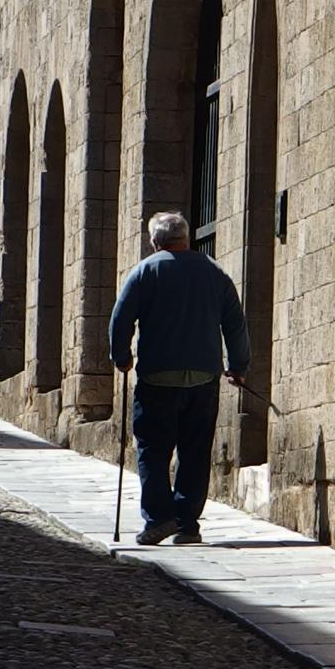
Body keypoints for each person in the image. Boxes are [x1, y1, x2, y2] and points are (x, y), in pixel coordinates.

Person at [108, 210, 250, 546]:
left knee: (153, 450)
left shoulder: (145, 272)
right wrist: (238, 366)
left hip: (157, 376)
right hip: (203, 378)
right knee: (195, 451)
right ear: (187, 238)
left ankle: (159, 519)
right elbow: (235, 323)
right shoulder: (215, 274)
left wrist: (122, 356)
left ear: (155, 241)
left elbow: (121, 318)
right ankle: (187, 524)